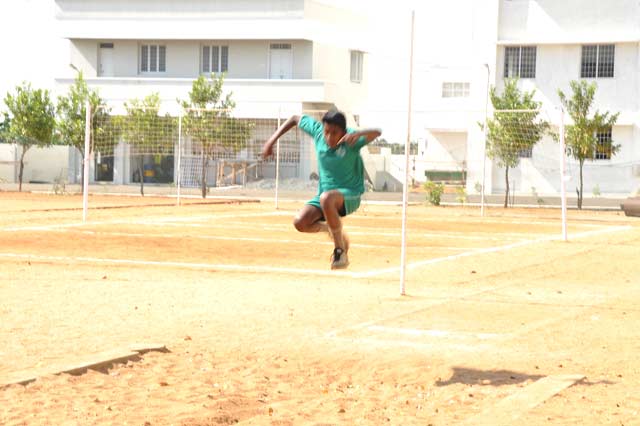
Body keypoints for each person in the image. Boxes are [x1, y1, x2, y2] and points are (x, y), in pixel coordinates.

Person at [262, 110, 381, 269]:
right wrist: (271, 141)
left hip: (349, 195)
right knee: (300, 222)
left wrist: (359, 133)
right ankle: (333, 231)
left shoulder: (352, 139)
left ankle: (340, 252)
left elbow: (377, 133)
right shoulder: (318, 132)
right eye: (327, 132)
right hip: (324, 197)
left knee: (327, 198)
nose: (329, 137)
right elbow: (294, 118)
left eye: (334, 133)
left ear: (343, 132)